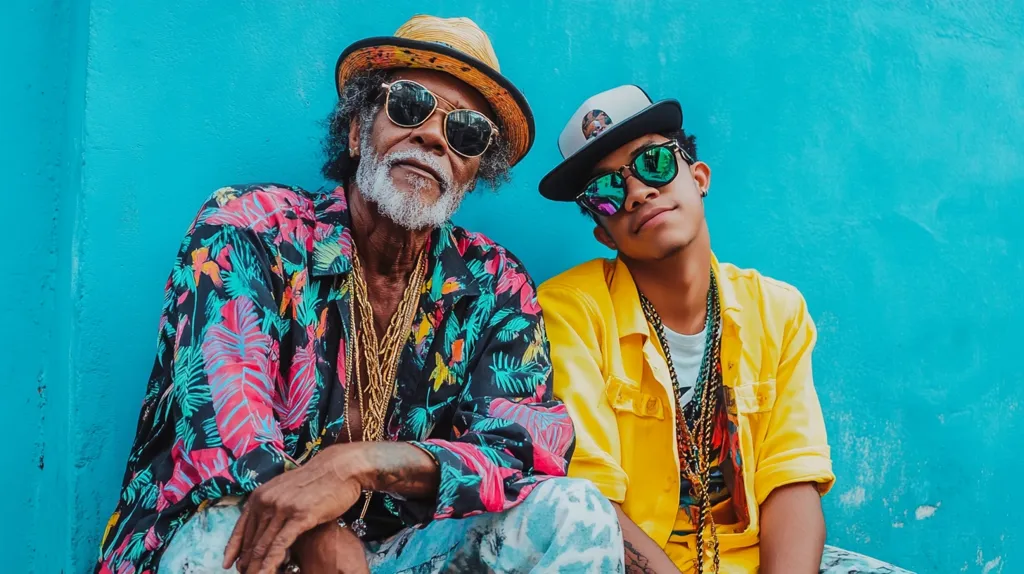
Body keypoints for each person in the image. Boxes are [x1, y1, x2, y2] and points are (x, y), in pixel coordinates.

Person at [96, 16, 623, 574]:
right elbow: (227, 431)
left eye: (466, 133)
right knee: (230, 532)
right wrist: (318, 535)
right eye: (409, 106)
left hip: (403, 553)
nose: (432, 136)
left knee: (577, 512)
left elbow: (522, 447)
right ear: (356, 132)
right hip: (247, 538)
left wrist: (363, 465)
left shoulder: (494, 282)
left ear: (470, 177)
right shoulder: (250, 229)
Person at [536, 85, 910, 573]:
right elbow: (590, 505)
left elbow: (790, 482)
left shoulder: (777, 311)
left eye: (653, 164)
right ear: (602, 231)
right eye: (605, 192)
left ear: (698, 177)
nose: (636, 193)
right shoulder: (570, 312)